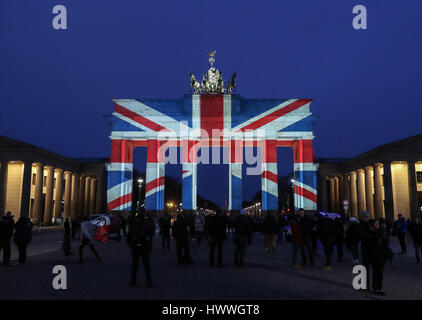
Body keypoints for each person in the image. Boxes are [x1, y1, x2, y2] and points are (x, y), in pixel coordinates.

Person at [127, 208, 153, 287]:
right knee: (146, 265)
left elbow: (129, 236)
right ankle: (149, 281)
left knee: (135, 265)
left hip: (135, 247)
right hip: (144, 246)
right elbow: (150, 232)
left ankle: (133, 281)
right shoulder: (145, 224)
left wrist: (131, 245)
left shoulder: (133, 224)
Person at [368, 219, 388, 295]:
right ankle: (376, 288)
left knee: (381, 273)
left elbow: (385, 244)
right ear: (373, 225)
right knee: (375, 273)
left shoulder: (382, 232)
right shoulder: (372, 233)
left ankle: (380, 288)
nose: (377, 225)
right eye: (375, 224)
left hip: (381, 256)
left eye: (378, 224)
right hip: (374, 256)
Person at [357, 211, 371, 290]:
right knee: (365, 267)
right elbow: (362, 235)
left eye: (368, 216)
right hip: (365, 248)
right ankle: (365, 285)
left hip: (371, 248)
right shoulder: (360, 225)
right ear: (362, 217)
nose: (367, 218)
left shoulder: (370, 224)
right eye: (366, 216)